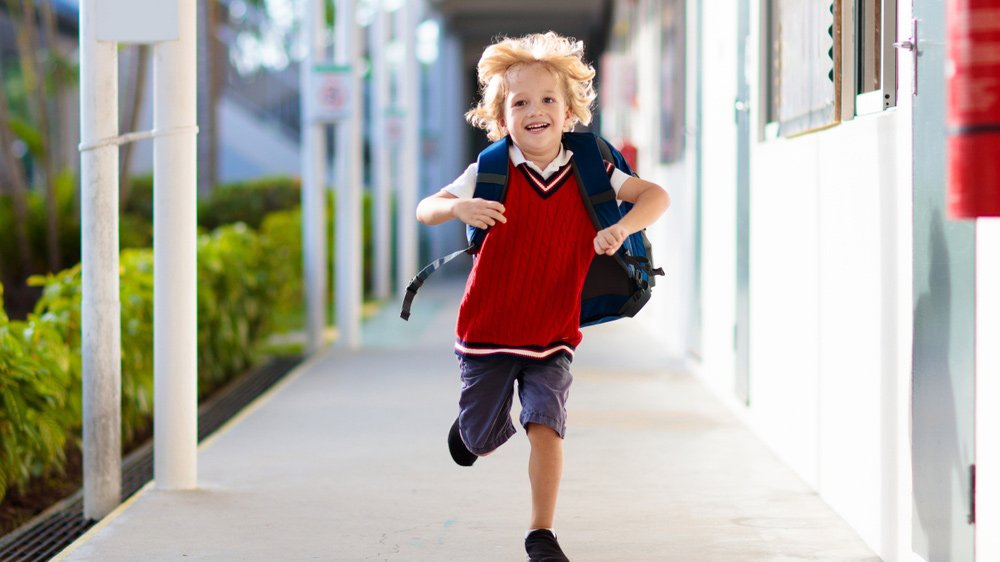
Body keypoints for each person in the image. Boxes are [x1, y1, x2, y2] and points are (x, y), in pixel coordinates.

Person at [415, 31, 670, 561]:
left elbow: (654, 195)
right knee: (480, 441)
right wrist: (458, 209)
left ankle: (541, 535)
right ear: (501, 116)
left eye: (548, 99)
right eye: (521, 102)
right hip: (487, 331)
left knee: (546, 427)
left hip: (553, 331)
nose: (536, 111)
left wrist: (622, 230)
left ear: (570, 108)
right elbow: (426, 207)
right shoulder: (489, 169)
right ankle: (472, 434)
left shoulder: (592, 165)